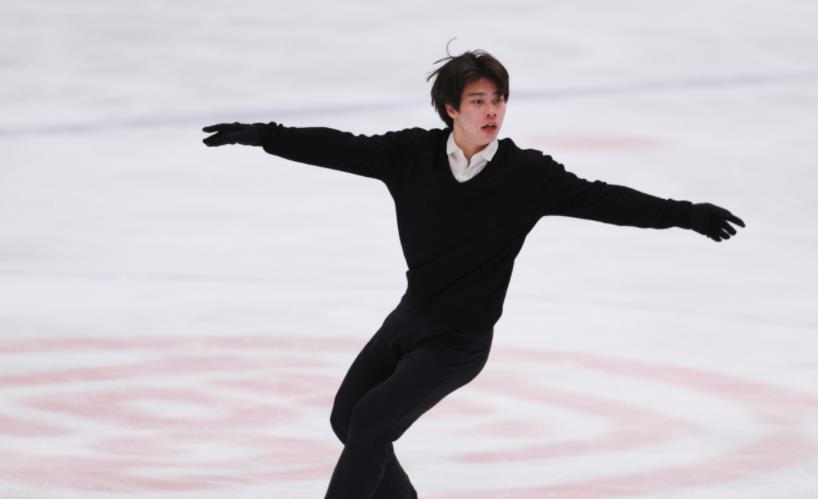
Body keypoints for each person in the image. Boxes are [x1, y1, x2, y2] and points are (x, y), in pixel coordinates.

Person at [202, 49, 745, 499]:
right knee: (347, 419)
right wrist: (263, 134)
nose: (492, 112)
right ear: (451, 109)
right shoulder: (410, 154)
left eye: (498, 100)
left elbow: (605, 200)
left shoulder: (527, 175)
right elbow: (340, 147)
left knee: (370, 424)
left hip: (457, 343)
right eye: (479, 101)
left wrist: (686, 214)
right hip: (408, 321)